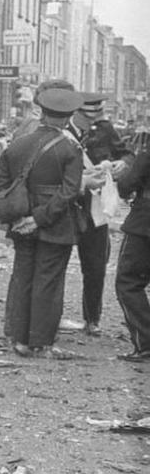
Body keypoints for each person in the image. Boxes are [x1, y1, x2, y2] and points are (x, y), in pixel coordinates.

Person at [0, 80, 85, 358]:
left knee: (22, 277)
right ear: (68, 117)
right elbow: (69, 193)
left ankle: (18, 339)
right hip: (56, 225)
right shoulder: (70, 148)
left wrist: (19, 216)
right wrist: (40, 218)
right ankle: (41, 343)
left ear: (41, 112)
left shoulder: (18, 145)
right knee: (48, 282)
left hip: (20, 224)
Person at [63, 94, 132, 335]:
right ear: (75, 113)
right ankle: (51, 316)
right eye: (86, 116)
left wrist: (122, 163)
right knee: (56, 264)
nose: (91, 121)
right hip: (66, 206)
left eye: (96, 116)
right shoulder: (63, 131)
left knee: (95, 267)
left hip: (95, 207)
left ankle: (92, 318)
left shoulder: (104, 129)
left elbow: (125, 153)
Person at [115, 132, 150, 362]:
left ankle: (145, 342)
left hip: (144, 225)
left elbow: (127, 185)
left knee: (128, 282)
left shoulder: (147, 153)